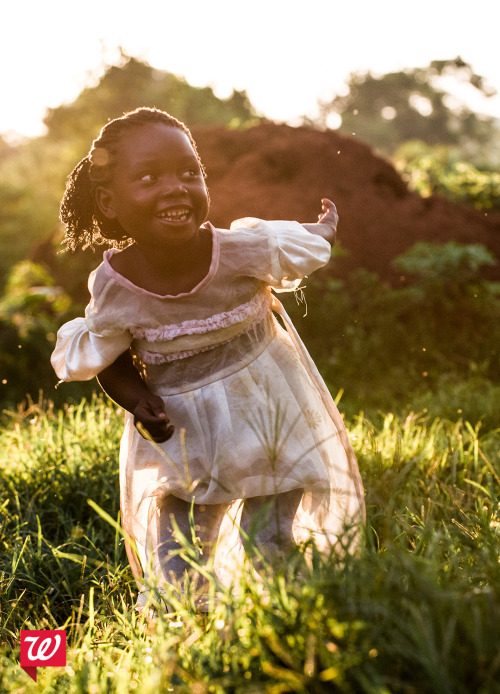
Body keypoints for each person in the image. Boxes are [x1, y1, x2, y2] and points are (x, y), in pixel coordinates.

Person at [51, 107, 365, 610]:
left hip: (270, 418)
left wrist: (322, 229)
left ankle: (286, 629)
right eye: (149, 177)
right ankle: (185, 642)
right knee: (179, 555)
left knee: (271, 544)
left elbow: (290, 244)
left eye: (189, 172)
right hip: (183, 433)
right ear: (109, 202)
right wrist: (138, 400)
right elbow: (109, 358)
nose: (176, 187)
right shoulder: (114, 287)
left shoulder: (239, 250)